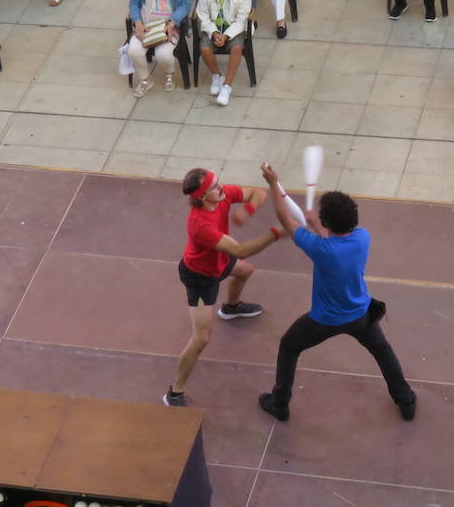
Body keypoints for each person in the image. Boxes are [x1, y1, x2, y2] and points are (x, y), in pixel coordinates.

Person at [257, 163, 416, 420]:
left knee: (288, 347)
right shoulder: (363, 237)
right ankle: (406, 401)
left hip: (324, 321)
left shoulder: (320, 248)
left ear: (326, 221)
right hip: (361, 315)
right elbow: (335, 240)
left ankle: (280, 403)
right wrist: (318, 226)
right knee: (382, 350)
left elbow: (284, 218)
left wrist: (273, 183)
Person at [162, 167, 275, 409]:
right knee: (201, 339)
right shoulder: (200, 223)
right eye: (214, 187)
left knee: (246, 270)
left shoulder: (222, 197)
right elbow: (240, 250)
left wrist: (247, 210)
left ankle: (232, 308)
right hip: (200, 277)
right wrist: (274, 235)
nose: (220, 187)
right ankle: (174, 392)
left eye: (217, 182)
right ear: (202, 197)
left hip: (220, 260)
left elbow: (257, 192)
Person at [128, 0, 193, 96]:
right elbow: (134, 2)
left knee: (164, 55)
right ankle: (145, 79)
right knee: (134, 50)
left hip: (168, 26)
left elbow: (185, 4)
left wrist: (173, 22)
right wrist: (137, 22)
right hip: (147, 25)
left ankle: (169, 75)